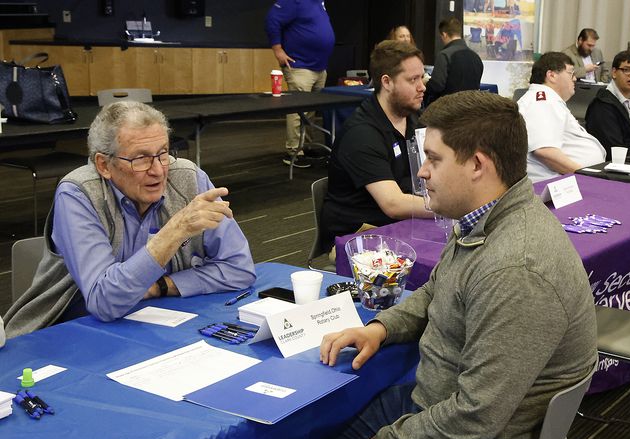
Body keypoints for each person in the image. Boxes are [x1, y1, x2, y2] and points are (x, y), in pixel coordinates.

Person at [317, 90, 597, 439]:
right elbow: (438, 289)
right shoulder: (484, 220)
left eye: (434, 158)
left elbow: (476, 417)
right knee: (318, 436)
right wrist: (381, 328)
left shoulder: (515, 268)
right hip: (442, 404)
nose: (422, 171)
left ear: (477, 165)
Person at [3, 101, 256, 338]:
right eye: (141, 158)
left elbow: (239, 268)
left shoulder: (189, 178)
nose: (157, 170)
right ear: (104, 165)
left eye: (163, 153)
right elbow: (105, 303)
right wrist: (175, 230)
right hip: (72, 331)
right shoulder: (79, 193)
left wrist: (161, 286)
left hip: (159, 324)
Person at [320, 40, 433, 253]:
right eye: (413, 80)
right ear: (387, 82)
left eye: (422, 77)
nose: (422, 87)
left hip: (403, 224)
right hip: (361, 235)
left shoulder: (416, 118)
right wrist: (451, 207)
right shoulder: (362, 134)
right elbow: (394, 204)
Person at [265, 0, 335, 168]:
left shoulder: (318, 3)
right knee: (298, 110)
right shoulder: (294, 1)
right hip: (300, 66)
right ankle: (293, 152)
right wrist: (277, 49)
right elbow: (272, 19)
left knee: (309, 110)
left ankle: (305, 146)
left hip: (318, 67)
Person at [517, 52, 605, 182]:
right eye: (571, 73)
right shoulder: (542, 101)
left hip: (564, 180)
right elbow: (545, 151)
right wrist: (584, 175)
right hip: (555, 184)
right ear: (551, 75)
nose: (574, 79)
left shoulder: (548, 100)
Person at [585, 51, 630, 158]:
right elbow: (613, 149)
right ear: (614, 72)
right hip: (618, 165)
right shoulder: (602, 105)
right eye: (627, 70)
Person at [424, 17, 484, 106]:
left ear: (444, 35)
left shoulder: (444, 55)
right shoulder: (476, 58)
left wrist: (425, 83)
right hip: (471, 112)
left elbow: (436, 86)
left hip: (447, 111)